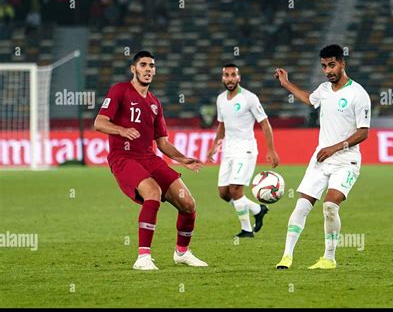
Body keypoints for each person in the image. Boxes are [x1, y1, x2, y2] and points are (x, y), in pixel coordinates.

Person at [94, 51, 208, 270]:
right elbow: (99, 123)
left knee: (188, 203)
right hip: (124, 157)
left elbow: (163, 143)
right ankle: (143, 257)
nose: (148, 69)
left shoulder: (155, 103)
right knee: (152, 192)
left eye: (151, 66)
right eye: (143, 65)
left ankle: (182, 253)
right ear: (133, 69)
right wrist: (121, 130)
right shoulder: (120, 91)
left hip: (149, 158)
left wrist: (183, 159)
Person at [274, 44, 371, 270]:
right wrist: (286, 83)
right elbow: (310, 99)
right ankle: (286, 257)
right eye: (324, 66)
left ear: (342, 63)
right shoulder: (324, 90)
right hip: (321, 159)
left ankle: (329, 258)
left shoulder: (358, 94)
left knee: (329, 207)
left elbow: (364, 132)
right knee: (301, 206)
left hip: (347, 162)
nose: (327, 70)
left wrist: (335, 148)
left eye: (332, 65)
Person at [207, 64, 279, 238]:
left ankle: (247, 230)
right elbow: (222, 125)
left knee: (236, 190)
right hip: (229, 151)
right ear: (222, 78)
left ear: (239, 78)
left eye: (233, 75)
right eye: (227, 75)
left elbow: (264, 123)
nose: (230, 78)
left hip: (245, 149)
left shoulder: (249, 98)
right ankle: (258, 209)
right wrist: (214, 146)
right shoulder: (220, 99)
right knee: (224, 193)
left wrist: (271, 150)